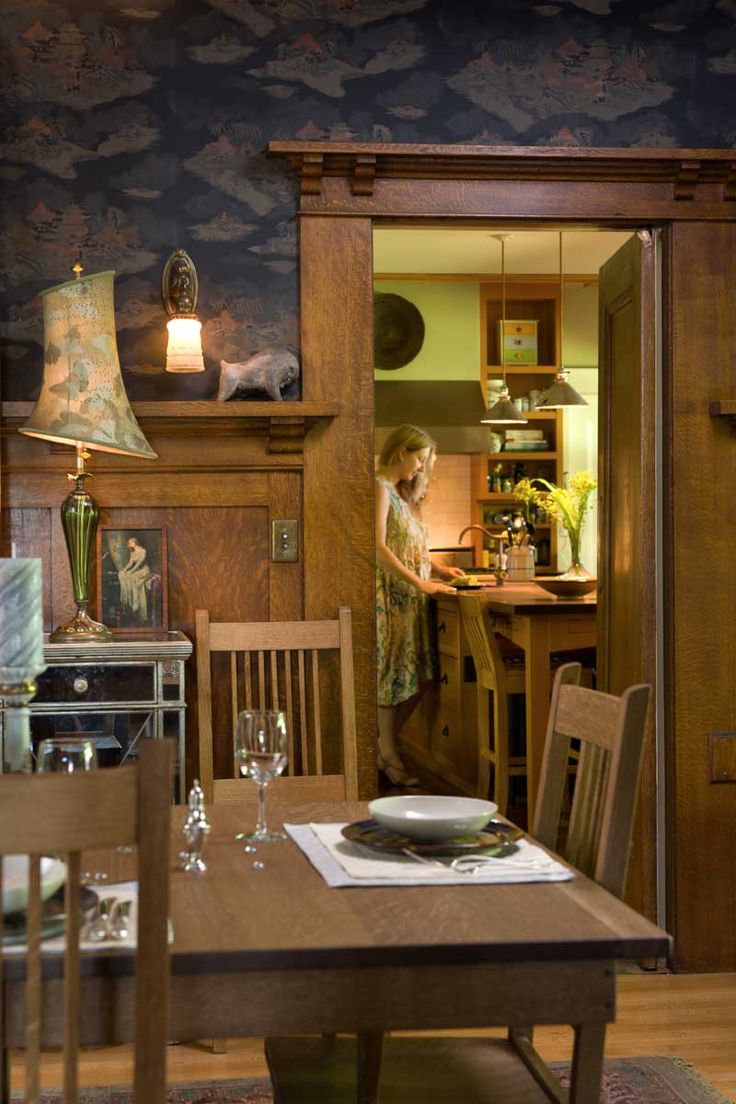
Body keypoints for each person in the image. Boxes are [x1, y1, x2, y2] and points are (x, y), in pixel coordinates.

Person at [375, 425, 465, 787]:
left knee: (421, 676)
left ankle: (383, 746)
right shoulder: (378, 488)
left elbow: (410, 547)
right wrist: (419, 582)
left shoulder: (398, 493)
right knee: (393, 677)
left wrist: (440, 569)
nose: (420, 469)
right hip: (393, 596)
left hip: (411, 596)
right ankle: (388, 752)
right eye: (419, 460)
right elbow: (377, 548)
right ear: (401, 453)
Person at [118, 536, 152, 621]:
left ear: (134, 542)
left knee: (132, 577)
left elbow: (139, 564)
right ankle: (130, 601)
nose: (129, 545)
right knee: (123, 574)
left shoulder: (143, 551)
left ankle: (136, 603)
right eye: (129, 543)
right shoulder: (132, 553)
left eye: (130, 543)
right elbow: (130, 563)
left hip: (144, 570)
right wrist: (125, 569)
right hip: (136, 570)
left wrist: (131, 571)